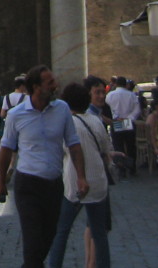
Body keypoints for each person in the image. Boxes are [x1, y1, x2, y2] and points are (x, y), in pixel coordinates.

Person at [0, 65, 89, 268]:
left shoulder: (62, 109)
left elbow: (73, 144)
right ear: (36, 87)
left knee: (49, 236)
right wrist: (0, 182)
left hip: (54, 184)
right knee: (32, 239)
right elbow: (5, 149)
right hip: (28, 184)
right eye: (50, 82)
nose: (56, 86)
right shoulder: (16, 114)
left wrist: (81, 176)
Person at [48, 82, 113, 268]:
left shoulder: (66, 124)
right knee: (99, 232)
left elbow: (61, 150)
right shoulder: (95, 120)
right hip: (98, 182)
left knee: (62, 230)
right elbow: (105, 147)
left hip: (75, 182)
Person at [104, 75, 140, 163]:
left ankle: (121, 168)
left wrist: (115, 118)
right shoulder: (131, 95)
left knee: (118, 145)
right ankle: (132, 166)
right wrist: (128, 118)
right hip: (128, 121)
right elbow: (137, 110)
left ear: (116, 84)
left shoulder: (110, 95)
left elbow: (107, 108)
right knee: (130, 145)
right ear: (125, 84)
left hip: (116, 121)